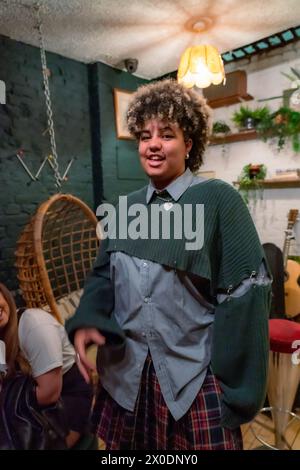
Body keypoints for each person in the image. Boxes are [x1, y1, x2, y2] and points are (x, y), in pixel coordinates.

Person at [66, 79, 271, 450]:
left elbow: (246, 294)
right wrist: (87, 321)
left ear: (189, 144)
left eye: (167, 134)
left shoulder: (218, 201)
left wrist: (238, 388)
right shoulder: (124, 209)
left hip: (191, 375)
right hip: (124, 378)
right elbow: (102, 276)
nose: (153, 144)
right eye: (145, 136)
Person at [0, 283, 94, 449]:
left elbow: (49, 394)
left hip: (65, 400)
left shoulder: (34, 325)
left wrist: (7, 403)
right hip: (28, 403)